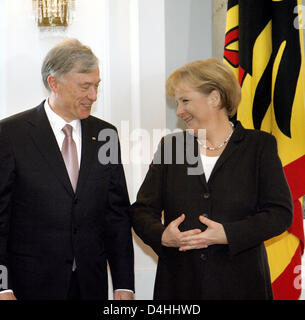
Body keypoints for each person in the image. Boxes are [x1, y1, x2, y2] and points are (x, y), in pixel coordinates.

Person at [130, 58, 293, 300]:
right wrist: (163, 235)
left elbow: (280, 214)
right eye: (177, 103)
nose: (179, 111)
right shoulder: (171, 147)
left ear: (214, 98)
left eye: (185, 101)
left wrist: (228, 234)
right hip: (179, 286)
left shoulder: (258, 146)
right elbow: (142, 211)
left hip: (242, 286)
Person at [0, 38, 134, 300]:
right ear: (54, 83)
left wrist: (123, 285)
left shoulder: (106, 135)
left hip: (90, 285)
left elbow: (116, 215)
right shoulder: (10, 134)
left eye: (96, 86)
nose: (93, 96)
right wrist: (3, 287)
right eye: (85, 86)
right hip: (29, 287)